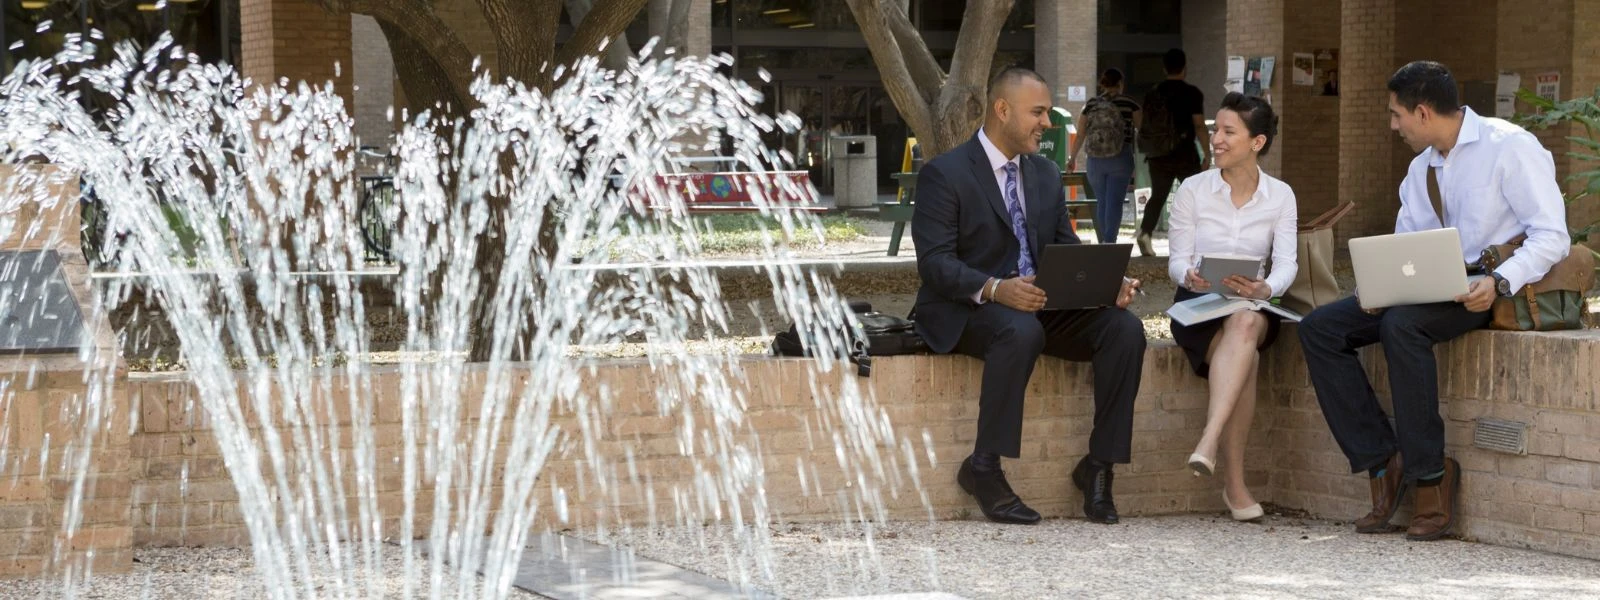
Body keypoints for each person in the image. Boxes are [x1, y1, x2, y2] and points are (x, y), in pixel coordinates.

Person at [1297, 61, 1571, 541]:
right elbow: (1408, 242)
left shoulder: (1511, 148)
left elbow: (1552, 236)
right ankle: (1383, 458)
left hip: (1486, 287)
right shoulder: (1420, 167)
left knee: (1401, 326)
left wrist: (1499, 281)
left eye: (1396, 114)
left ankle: (1430, 474)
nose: (1393, 125)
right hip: (1427, 283)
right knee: (1319, 328)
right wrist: (1381, 286)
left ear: (1422, 112)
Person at [911, 67, 1146, 526]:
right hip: (967, 310)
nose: (1048, 122)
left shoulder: (1042, 173)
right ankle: (983, 467)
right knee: (1018, 330)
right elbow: (935, 264)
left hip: (1038, 307)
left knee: (1124, 329)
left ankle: (1099, 465)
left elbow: (1063, 248)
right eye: (1038, 112)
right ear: (1002, 110)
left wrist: (1103, 285)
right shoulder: (946, 172)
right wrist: (996, 288)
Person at [1165, 93, 1296, 522]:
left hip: (1252, 304)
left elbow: (1287, 263)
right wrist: (1189, 275)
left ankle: (1209, 439)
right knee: (1247, 359)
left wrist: (1266, 288)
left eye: (1227, 132)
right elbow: (1176, 260)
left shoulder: (1281, 196)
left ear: (1256, 142)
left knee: (1244, 320)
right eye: (1214, 130)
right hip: (1198, 304)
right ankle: (1235, 486)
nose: (1215, 139)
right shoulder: (1192, 189)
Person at [1137, 49, 1211, 257]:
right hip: (1184, 152)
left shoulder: (1153, 93)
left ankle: (1145, 232)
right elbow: (1199, 125)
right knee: (1195, 196)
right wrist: (1207, 153)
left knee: (1158, 195)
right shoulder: (1192, 93)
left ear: (1164, 68)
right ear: (1184, 68)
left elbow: (1145, 124)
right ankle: (1199, 240)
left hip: (1157, 153)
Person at [1068, 68, 1142, 244]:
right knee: (1114, 203)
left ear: (1102, 84)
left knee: (1102, 202)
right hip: (1121, 157)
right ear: (1120, 84)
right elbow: (1142, 130)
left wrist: (1072, 159)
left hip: (1095, 160)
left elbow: (1080, 135)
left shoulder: (1091, 104)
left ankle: (1103, 242)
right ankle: (1109, 242)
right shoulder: (1130, 103)